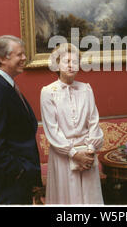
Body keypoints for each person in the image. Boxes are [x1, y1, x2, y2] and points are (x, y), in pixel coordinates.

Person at [0, 35, 42, 204]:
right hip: (11, 182)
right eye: (19, 54)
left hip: (19, 181)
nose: (24, 58)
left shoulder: (6, 85)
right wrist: (18, 171)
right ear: (1, 58)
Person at [40, 43, 104, 204]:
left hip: (87, 154)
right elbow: (52, 129)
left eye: (75, 62)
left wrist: (89, 151)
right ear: (57, 64)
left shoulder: (86, 89)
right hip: (64, 156)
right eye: (66, 61)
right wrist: (74, 154)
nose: (71, 65)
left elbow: (94, 121)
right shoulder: (48, 92)